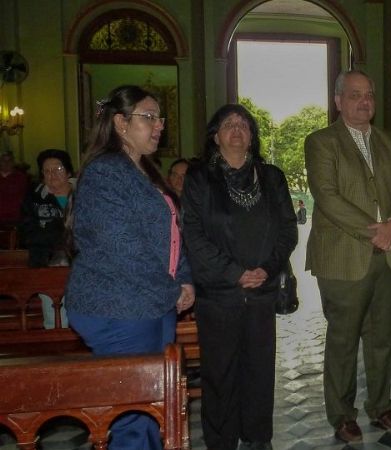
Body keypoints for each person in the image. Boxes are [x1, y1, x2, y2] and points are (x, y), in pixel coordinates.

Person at [65, 85, 194, 450]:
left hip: (151, 302)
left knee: (152, 406)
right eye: (148, 117)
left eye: (160, 118)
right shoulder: (105, 172)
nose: (159, 126)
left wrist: (185, 279)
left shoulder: (145, 170)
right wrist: (173, 289)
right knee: (133, 417)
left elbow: (172, 233)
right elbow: (122, 248)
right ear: (120, 123)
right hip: (118, 306)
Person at [304, 70, 391, 443]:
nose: (364, 101)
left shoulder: (387, 141)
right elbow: (327, 196)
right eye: (355, 94)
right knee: (344, 340)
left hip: (388, 254)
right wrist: (376, 231)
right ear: (338, 101)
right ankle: (341, 415)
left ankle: (380, 406)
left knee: (382, 338)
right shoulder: (321, 142)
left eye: (369, 94)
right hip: (344, 257)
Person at [182, 104, 297, 450]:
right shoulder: (199, 178)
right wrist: (234, 273)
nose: (236, 129)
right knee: (220, 373)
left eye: (244, 124)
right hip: (218, 295)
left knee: (260, 370)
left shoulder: (272, 176)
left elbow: (287, 230)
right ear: (215, 137)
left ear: (252, 136)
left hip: (262, 291)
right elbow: (193, 235)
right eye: (228, 124)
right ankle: (221, 441)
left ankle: (258, 437)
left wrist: (268, 269)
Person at [20, 149, 75, 267]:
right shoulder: (34, 197)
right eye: (47, 171)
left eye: (58, 169)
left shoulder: (84, 195)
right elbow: (27, 233)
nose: (52, 174)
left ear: (69, 172)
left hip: (79, 259)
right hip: (43, 259)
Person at [0, 150, 28, 225]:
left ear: (13, 162)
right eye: (3, 160)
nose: (6, 163)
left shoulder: (20, 177)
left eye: (9, 160)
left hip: (15, 218)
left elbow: (24, 197)